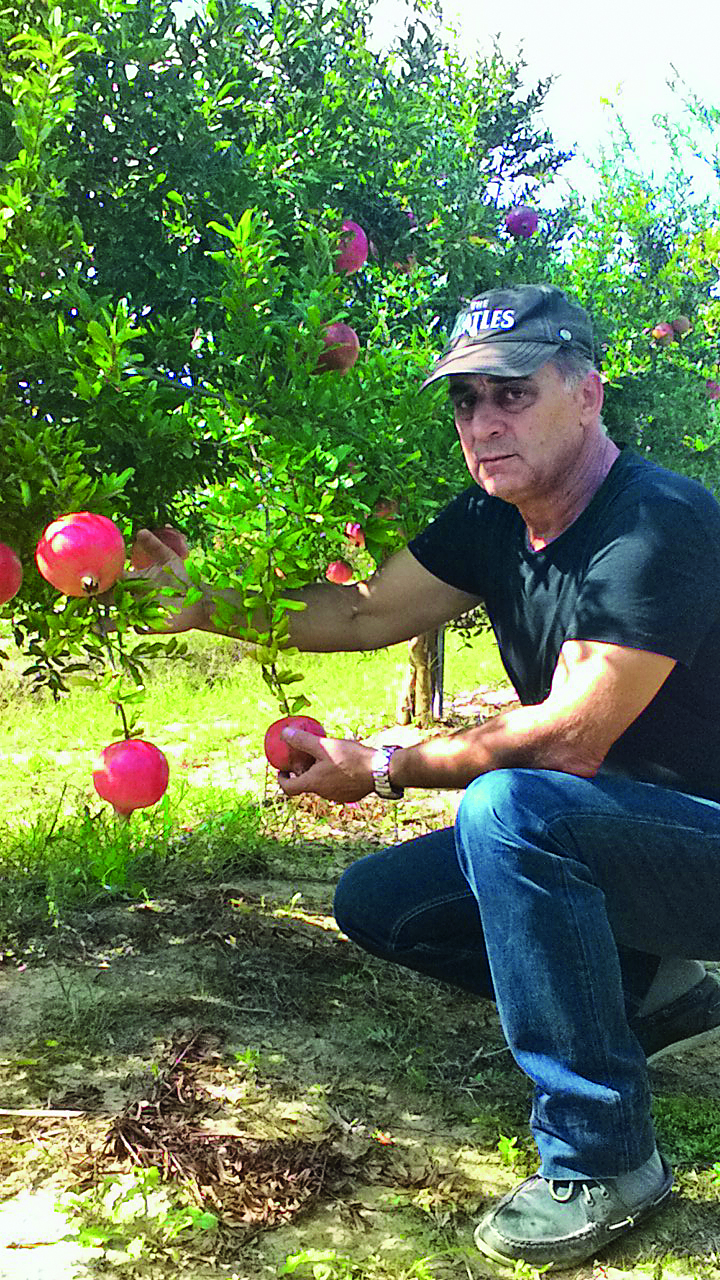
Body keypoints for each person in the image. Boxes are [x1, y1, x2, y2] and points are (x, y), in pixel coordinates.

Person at [134, 284, 720, 1269]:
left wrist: (384, 765)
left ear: (587, 392)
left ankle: (604, 1151)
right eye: (464, 402)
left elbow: (570, 736)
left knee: (516, 807)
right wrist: (204, 601)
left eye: (510, 394)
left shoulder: (657, 520)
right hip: (611, 833)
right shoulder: (494, 519)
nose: (483, 423)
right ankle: (654, 988)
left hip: (701, 837)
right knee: (383, 900)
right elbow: (363, 614)